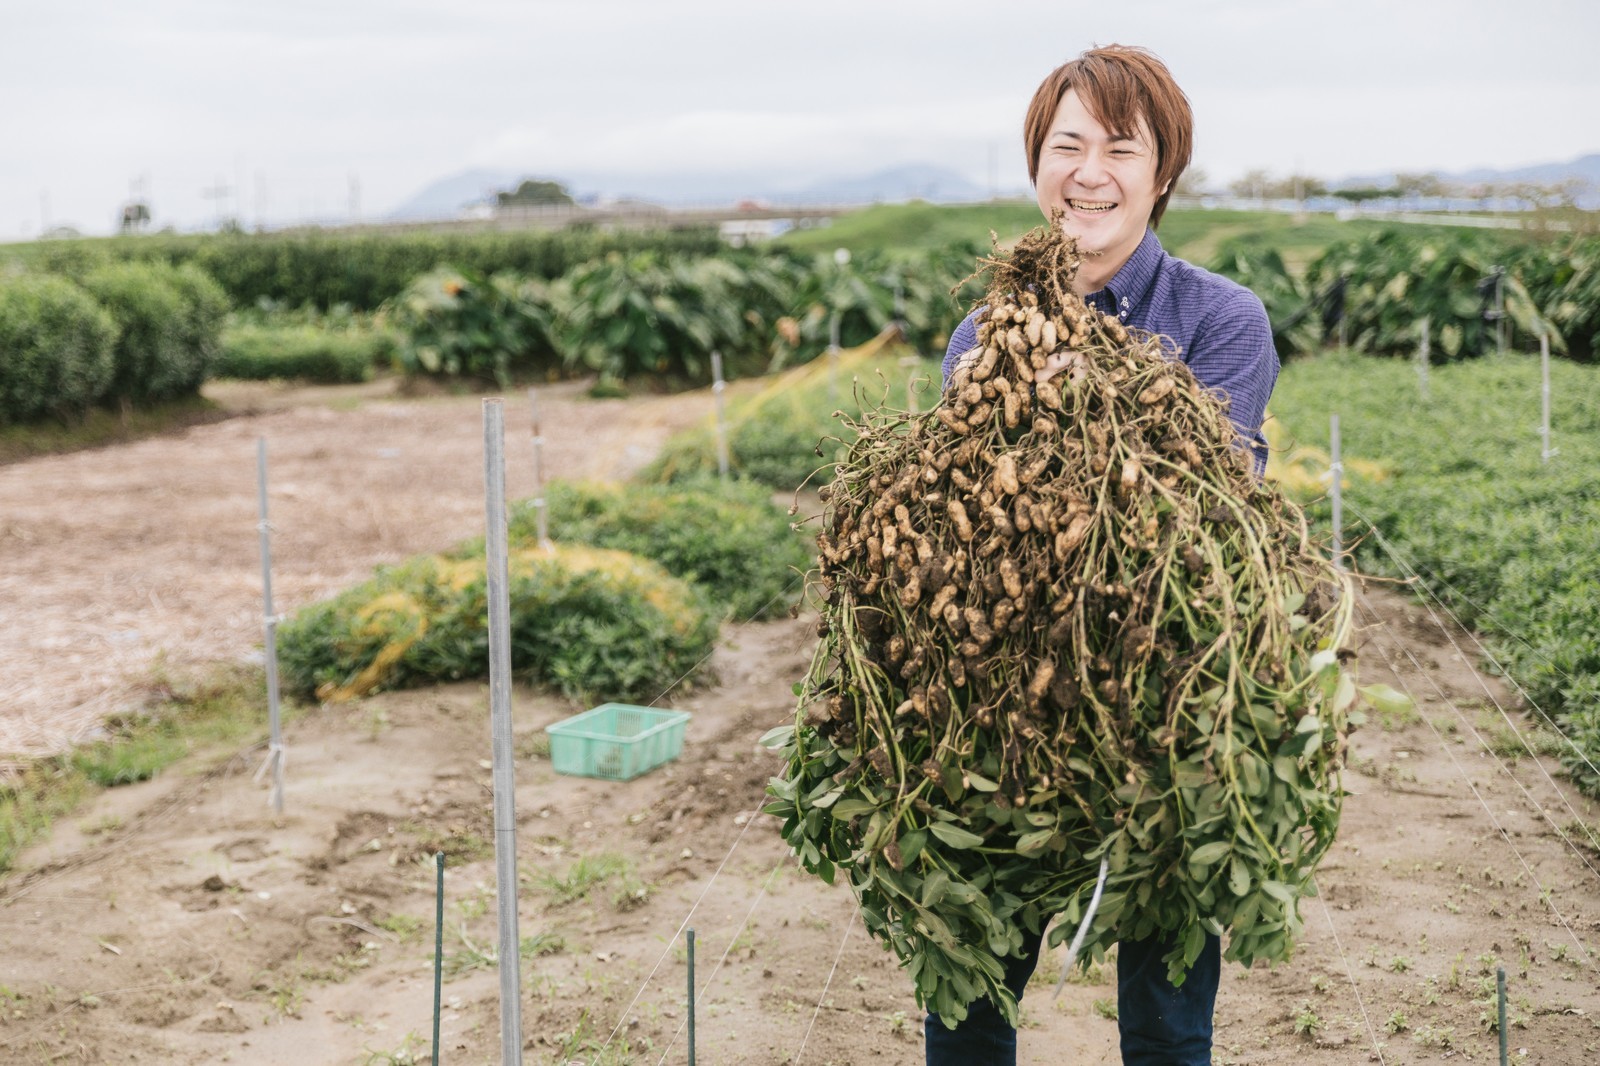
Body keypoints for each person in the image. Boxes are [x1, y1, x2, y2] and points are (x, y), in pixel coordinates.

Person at [930, 45, 1279, 1065]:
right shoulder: (979, 332)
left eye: (1119, 147)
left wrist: (1065, 387)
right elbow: (968, 524)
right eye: (1065, 144)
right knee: (969, 1001)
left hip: (1167, 706)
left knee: (1169, 1022)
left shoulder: (1220, 318)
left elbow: (1204, 498)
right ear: (1035, 163)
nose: (1089, 171)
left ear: (1161, 173)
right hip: (1007, 706)